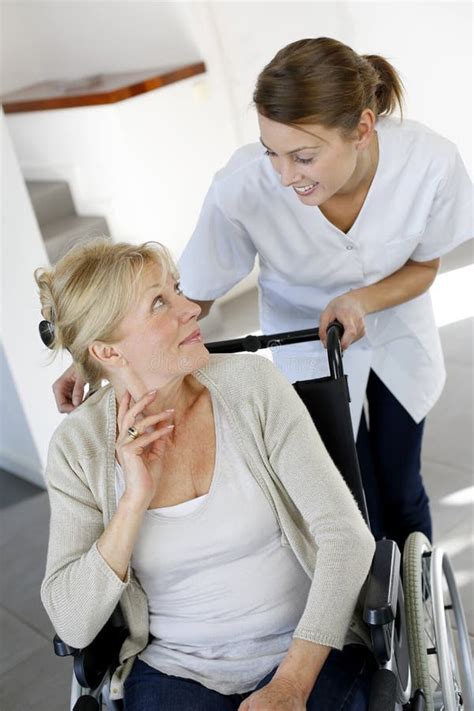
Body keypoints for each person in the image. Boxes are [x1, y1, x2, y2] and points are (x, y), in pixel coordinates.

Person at [50, 38, 472, 553]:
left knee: (401, 489)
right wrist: (96, 358)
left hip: (398, 334)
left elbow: (425, 265)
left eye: (304, 156)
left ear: (362, 129)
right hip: (306, 344)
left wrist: (362, 299)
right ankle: (369, 612)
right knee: (348, 495)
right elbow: (194, 293)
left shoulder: (430, 163)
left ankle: (422, 605)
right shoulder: (244, 187)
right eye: (272, 152)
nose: (285, 174)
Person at [37, 239, 375, 711]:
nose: (192, 309)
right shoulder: (78, 449)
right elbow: (73, 623)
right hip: (175, 669)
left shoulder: (253, 387)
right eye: (160, 302)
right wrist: (134, 499)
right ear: (108, 353)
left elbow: (347, 538)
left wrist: (291, 685)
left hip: (307, 646)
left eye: (176, 290)